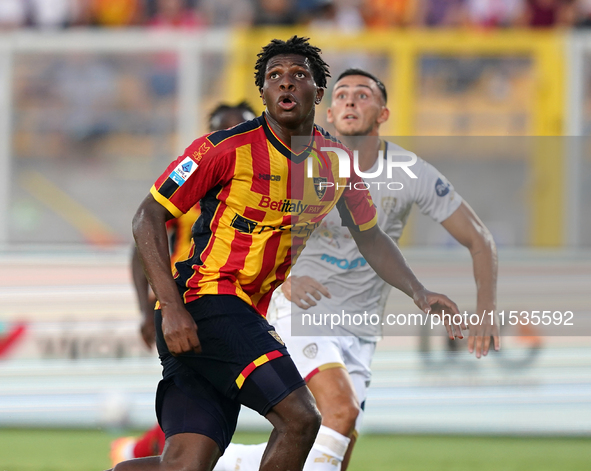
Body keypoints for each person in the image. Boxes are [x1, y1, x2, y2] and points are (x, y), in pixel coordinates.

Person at [109, 36, 461, 471]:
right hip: (206, 302)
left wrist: (419, 291)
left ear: (318, 91)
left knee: (186, 465)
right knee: (300, 418)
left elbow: (371, 237)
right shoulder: (223, 148)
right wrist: (170, 308)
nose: (286, 84)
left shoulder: (335, 162)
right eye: (274, 76)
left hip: (239, 313)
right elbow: (147, 217)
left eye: (299, 75)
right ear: (264, 92)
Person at [213, 68, 499, 471]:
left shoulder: (412, 172)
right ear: (329, 114)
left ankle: (218, 463)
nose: (350, 101)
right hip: (300, 314)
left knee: (332, 449)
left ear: (383, 113)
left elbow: (480, 240)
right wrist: (284, 281)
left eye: (363, 95)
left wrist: (485, 310)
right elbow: (248, 231)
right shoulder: (298, 163)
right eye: (342, 94)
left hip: (361, 328)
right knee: (341, 414)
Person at [110, 102, 256, 467]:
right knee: (293, 412)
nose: (230, 137)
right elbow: (143, 234)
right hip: (189, 304)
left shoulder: (261, 183)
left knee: (201, 431)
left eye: (240, 128)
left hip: (243, 306)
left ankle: (137, 452)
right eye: (222, 129)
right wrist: (151, 310)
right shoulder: (189, 177)